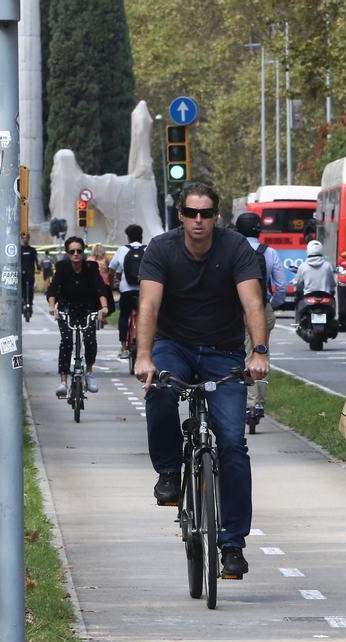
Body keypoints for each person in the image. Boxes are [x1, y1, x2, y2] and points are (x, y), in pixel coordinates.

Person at [134, 184, 270, 580]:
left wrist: (258, 352)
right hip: (173, 345)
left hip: (222, 351)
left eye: (206, 214)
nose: (198, 221)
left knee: (232, 443)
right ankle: (168, 473)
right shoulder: (161, 249)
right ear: (181, 216)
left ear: (216, 217)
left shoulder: (235, 249)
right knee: (159, 390)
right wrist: (144, 357)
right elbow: (149, 305)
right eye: (192, 213)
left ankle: (232, 545)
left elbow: (252, 303)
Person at [235, 212, 288, 426]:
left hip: (237, 309)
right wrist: (270, 305)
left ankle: (246, 400)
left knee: (243, 354)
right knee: (261, 354)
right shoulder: (270, 252)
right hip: (263, 309)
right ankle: (257, 403)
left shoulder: (233, 251)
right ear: (259, 230)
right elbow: (282, 286)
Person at [46, 237, 110, 397]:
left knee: (89, 339)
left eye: (79, 251)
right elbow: (53, 290)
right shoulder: (62, 267)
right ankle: (63, 382)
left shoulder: (91, 266)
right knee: (66, 341)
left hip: (87, 309)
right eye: (72, 251)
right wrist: (52, 308)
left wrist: (104, 307)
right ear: (67, 253)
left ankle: (89, 372)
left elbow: (100, 288)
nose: (76, 254)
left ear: (83, 251)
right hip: (66, 309)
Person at [109, 224, 146, 359]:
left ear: (128, 237)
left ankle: (124, 347)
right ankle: (146, 347)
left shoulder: (122, 250)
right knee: (146, 318)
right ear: (141, 236)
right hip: (143, 292)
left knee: (124, 316)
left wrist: (112, 285)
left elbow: (112, 269)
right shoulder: (148, 249)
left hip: (126, 291)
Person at [90, 243, 115, 326]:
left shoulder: (89, 259)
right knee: (106, 301)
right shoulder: (106, 259)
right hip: (104, 283)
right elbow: (110, 271)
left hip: (92, 283)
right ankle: (103, 316)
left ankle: (93, 315)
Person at [19, 232, 39, 315]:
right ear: (21, 239)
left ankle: (30, 303)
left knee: (30, 288)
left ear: (28, 239)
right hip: (21, 273)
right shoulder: (20, 250)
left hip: (30, 272)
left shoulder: (32, 250)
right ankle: (23, 301)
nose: (25, 240)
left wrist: (39, 267)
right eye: (23, 238)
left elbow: (36, 260)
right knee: (22, 288)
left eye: (26, 238)